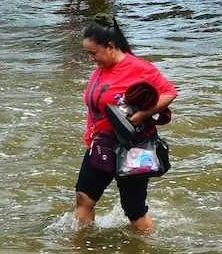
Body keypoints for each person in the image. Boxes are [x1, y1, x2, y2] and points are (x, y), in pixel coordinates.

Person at [74, 14, 177, 232]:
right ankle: (82, 245)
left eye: (94, 53)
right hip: (100, 144)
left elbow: (169, 93)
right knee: (84, 199)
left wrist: (142, 115)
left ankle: (148, 245)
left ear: (110, 46)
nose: (91, 59)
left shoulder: (139, 68)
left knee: (134, 210)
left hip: (133, 146)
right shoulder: (103, 67)